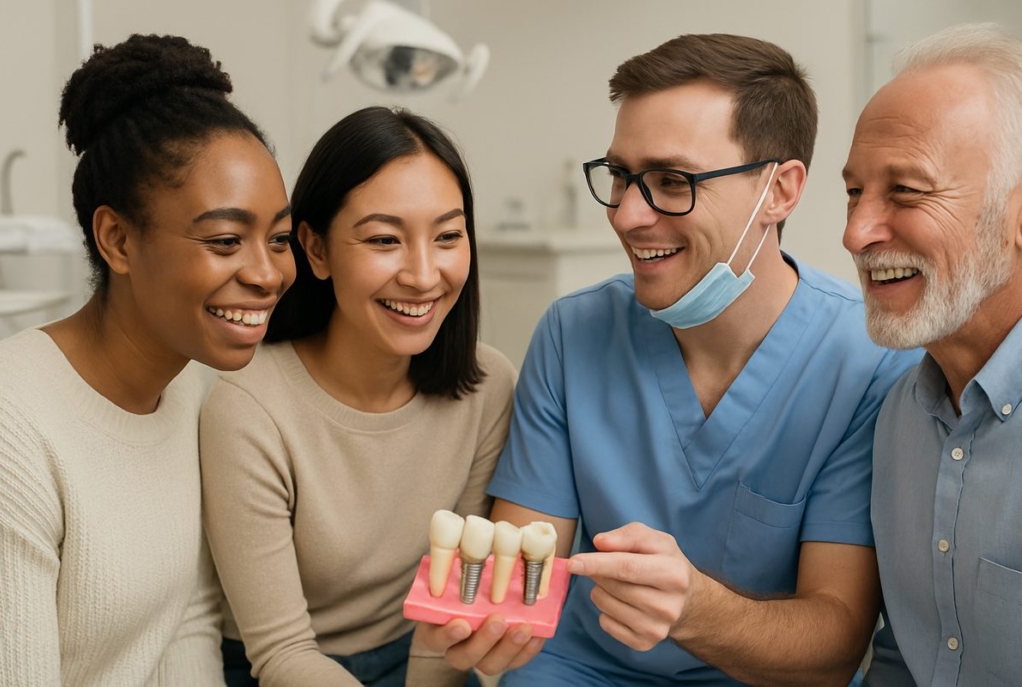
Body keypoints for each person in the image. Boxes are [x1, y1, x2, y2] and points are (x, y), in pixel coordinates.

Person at [419, 33, 922, 686]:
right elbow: (523, 577)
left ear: (781, 190)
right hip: (577, 670)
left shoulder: (864, 362)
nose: (628, 215)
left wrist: (699, 610)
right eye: (623, 177)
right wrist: (485, 620)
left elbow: (832, 644)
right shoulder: (574, 333)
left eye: (671, 181)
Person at [0, 34, 295, 687]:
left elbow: (182, 623)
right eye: (224, 239)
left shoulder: (190, 389)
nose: (268, 273)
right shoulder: (8, 423)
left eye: (278, 238)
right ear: (117, 239)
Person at [198, 105, 516, 687]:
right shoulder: (248, 407)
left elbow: (449, 610)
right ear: (315, 250)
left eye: (448, 236)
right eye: (384, 240)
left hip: (422, 657)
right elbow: (281, 653)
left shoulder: (488, 385)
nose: (423, 275)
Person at [841, 22, 1022, 687]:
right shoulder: (900, 419)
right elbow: (909, 653)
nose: (855, 232)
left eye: (908, 191)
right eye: (854, 191)